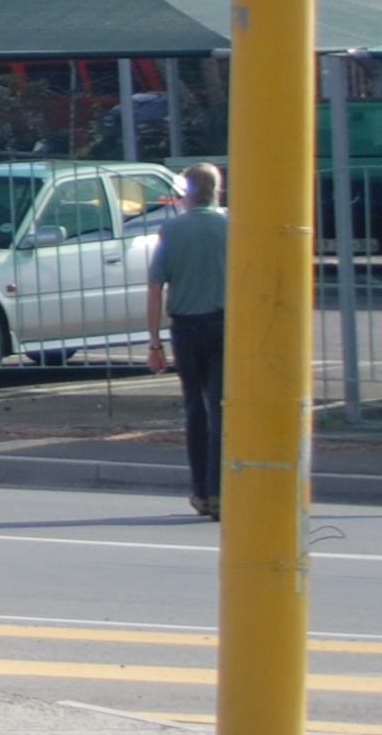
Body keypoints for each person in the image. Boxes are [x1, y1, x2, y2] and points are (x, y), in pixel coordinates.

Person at [146, 162, 231, 518]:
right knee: (222, 410)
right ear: (218, 191)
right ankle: (218, 491)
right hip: (224, 325)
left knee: (195, 409)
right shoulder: (232, 227)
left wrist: (153, 342)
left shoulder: (172, 231)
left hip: (185, 329)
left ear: (185, 194)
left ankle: (199, 489)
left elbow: (155, 287)